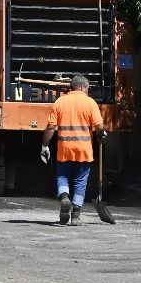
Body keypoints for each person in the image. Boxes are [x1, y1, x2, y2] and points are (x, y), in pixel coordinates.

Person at [41, 74, 106, 225]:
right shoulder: (90, 103)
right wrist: (101, 133)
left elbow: (51, 127)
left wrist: (44, 145)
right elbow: (99, 126)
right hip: (84, 150)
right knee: (80, 181)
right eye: (88, 88)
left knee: (62, 176)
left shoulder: (60, 102)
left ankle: (64, 198)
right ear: (82, 87)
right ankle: (76, 216)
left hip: (65, 149)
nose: (88, 91)